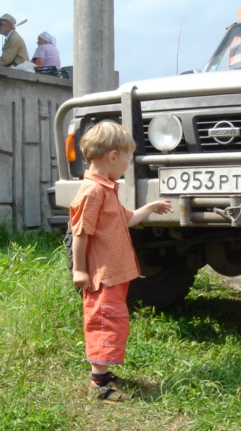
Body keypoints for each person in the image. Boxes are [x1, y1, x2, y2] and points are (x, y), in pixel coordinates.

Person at [69, 121, 173, 404]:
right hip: (102, 276)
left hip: (114, 274)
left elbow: (127, 219)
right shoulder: (92, 192)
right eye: (127, 158)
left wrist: (151, 207)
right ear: (113, 156)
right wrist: (79, 269)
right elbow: (80, 232)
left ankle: (103, 374)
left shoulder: (106, 189)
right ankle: (99, 384)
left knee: (113, 321)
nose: (128, 164)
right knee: (104, 322)